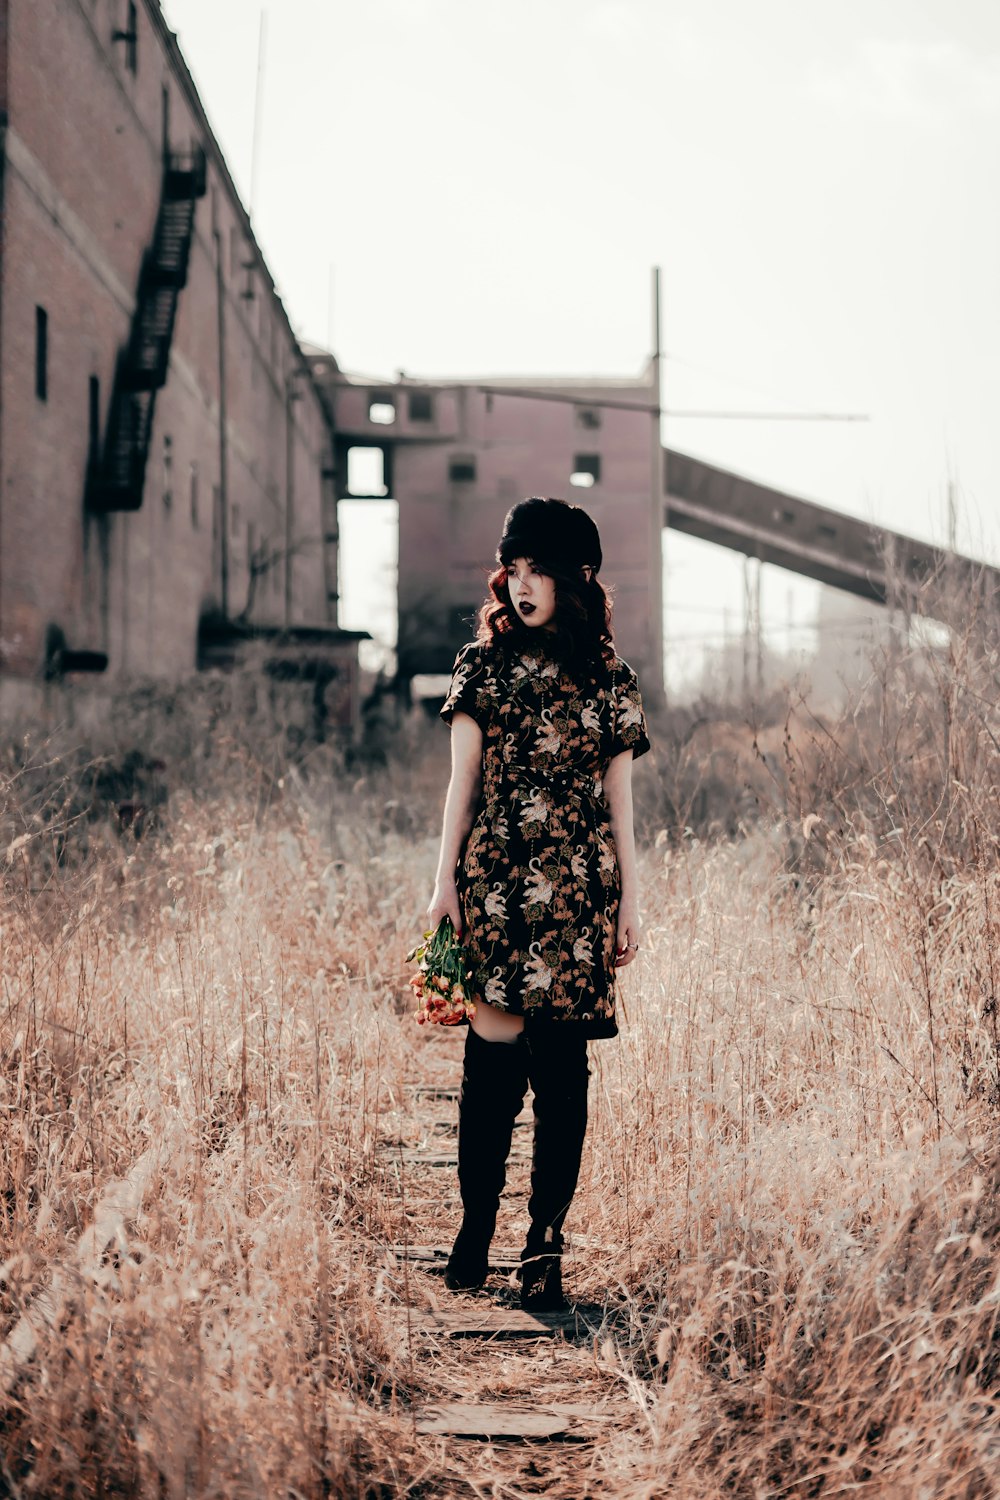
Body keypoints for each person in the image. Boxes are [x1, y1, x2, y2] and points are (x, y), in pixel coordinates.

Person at [427, 496, 651, 1311]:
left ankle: (543, 1250)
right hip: (495, 882)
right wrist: (442, 878)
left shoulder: (608, 679)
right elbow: (462, 785)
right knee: (490, 1071)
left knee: (562, 1080)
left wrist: (630, 899)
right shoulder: (479, 667)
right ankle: (473, 1233)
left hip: (582, 893)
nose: (522, 586)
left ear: (576, 578)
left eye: (540, 571)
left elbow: (622, 803)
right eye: (513, 569)